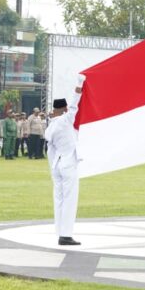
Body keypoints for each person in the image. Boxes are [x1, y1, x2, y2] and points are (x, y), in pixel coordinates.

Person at [45, 77, 84, 245]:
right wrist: (80, 84)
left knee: (59, 199)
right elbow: (76, 103)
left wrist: (52, 169)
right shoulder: (65, 120)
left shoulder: (50, 127)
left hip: (56, 165)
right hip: (68, 164)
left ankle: (60, 231)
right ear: (64, 109)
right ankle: (66, 235)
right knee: (69, 199)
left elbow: (50, 152)